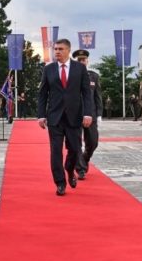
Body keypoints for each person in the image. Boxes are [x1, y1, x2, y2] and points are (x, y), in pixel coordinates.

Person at [37, 39, 93, 196]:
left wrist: (88, 113)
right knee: (55, 151)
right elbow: (43, 94)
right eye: (55, 49)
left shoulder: (79, 69)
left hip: (74, 116)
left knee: (75, 149)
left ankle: (69, 170)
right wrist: (41, 115)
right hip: (55, 117)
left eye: (61, 49)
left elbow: (86, 92)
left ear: (68, 50)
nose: (57, 52)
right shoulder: (49, 69)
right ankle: (60, 183)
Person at [72, 49, 102, 180]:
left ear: (87, 61)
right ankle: (80, 169)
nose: (81, 62)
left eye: (83, 60)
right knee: (76, 143)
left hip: (91, 114)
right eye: (79, 60)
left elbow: (98, 97)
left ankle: (84, 160)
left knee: (93, 142)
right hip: (75, 114)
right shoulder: (69, 76)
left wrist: (99, 114)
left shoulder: (94, 76)